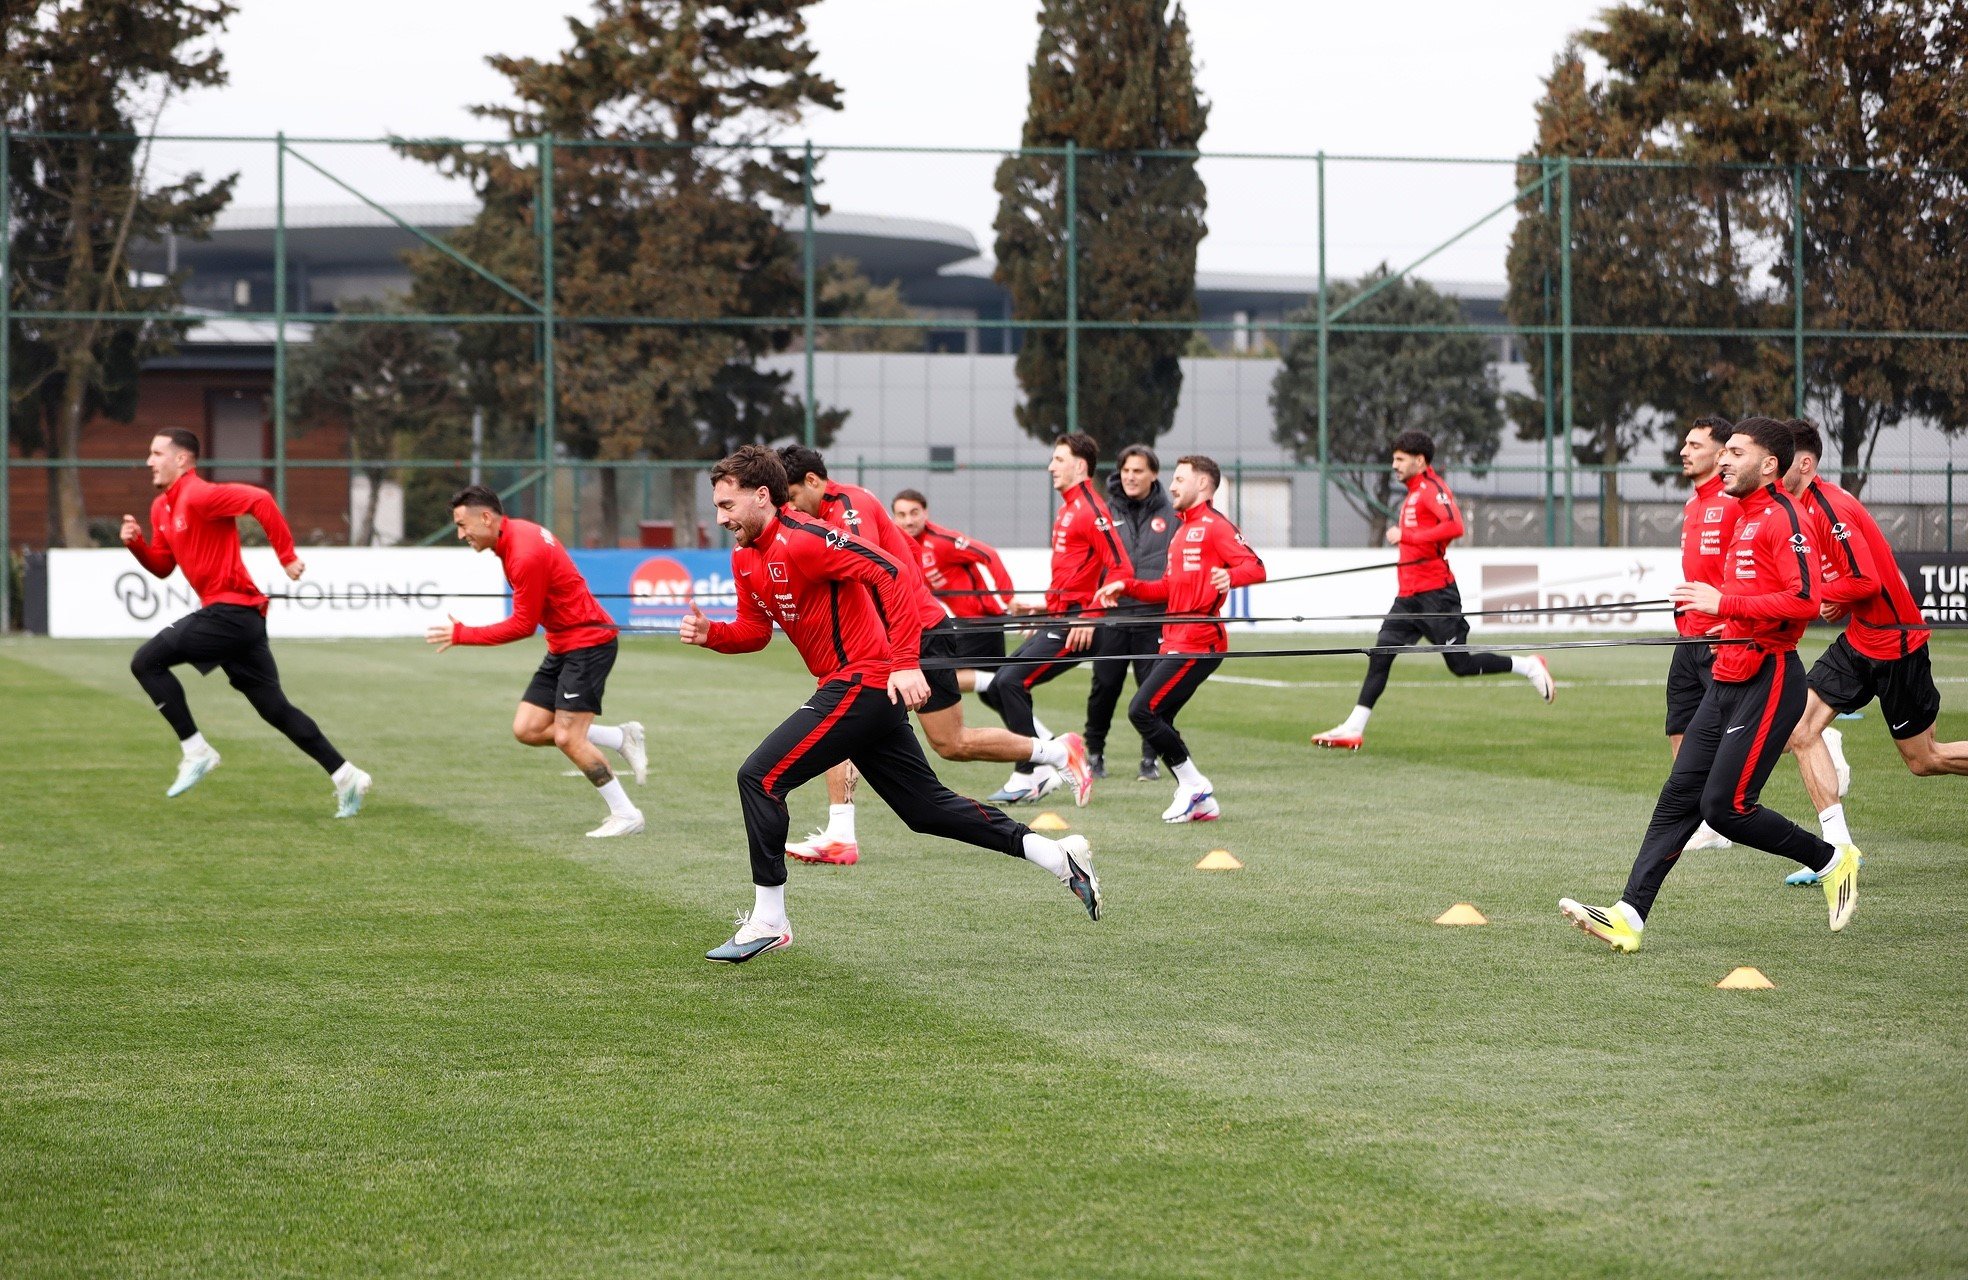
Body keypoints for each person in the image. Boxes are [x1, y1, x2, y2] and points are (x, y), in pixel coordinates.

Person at [680, 445, 1102, 963]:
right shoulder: (745, 557)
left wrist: (905, 660)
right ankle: (1058, 857)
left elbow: (892, 573)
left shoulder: (807, 539)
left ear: (762, 496)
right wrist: (711, 634)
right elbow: (754, 631)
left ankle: (769, 920)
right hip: (852, 687)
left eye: (727, 505)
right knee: (927, 809)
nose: (720, 518)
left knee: (761, 777)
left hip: (863, 681)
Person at [1559, 417, 1859, 953]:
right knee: (1679, 795)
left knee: (1727, 807)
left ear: (1769, 465)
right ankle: (1628, 916)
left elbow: (1805, 602)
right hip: (1727, 674)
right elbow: (1757, 598)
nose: (1723, 459)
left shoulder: (1782, 517)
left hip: (1769, 678)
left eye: (1736, 452)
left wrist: (1727, 606)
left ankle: (1833, 859)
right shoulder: (1741, 516)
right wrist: (1731, 622)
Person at [775, 449, 1091, 868]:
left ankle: (1056, 752)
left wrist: (906, 624)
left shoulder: (848, 508)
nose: (790, 506)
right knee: (853, 717)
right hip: (890, 637)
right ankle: (840, 834)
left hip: (914, 634)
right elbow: (903, 549)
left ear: (813, 481)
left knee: (949, 742)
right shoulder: (838, 509)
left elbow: (874, 571)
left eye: (793, 495)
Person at [121, 428, 372, 815]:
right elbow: (163, 566)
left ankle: (196, 750)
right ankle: (346, 776)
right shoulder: (161, 508)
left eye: (156, 453)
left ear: (182, 460)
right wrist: (136, 545)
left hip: (232, 614)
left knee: (145, 661)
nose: (149, 461)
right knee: (275, 709)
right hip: (239, 620)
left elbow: (261, 499)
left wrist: (286, 556)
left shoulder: (199, 493)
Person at [1777, 419, 1965, 886]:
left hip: (1898, 644)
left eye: (1780, 460)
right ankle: (1839, 852)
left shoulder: (1830, 506)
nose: (1772, 468)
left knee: (1924, 760)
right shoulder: (1795, 509)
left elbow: (1867, 581)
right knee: (1798, 730)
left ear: (1804, 463)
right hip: (1861, 640)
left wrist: (1826, 594)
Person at [425, 485, 647, 838]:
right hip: (563, 644)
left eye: (463, 525)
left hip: (589, 643)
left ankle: (627, 813)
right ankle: (620, 737)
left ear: (486, 518)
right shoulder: (515, 535)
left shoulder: (522, 553)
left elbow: (522, 626)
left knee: (568, 738)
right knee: (527, 729)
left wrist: (461, 635)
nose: (461, 534)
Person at [1311, 431, 1554, 751]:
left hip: (1437, 595)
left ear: (1419, 460)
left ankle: (1528, 666)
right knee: (1381, 654)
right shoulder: (1412, 493)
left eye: (1399, 459)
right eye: (1393, 458)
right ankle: (1353, 728)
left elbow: (1455, 527)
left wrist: (1407, 537)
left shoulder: (1431, 489)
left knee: (1460, 665)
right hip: (1408, 597)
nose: (1393, 465)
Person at [1093, 455, 1266, 822]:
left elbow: (1255, 566)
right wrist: (1128, 586)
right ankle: (1199, 800)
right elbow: (1168, 587)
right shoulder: (1182, 529)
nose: (1171, 486)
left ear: (1202, 484)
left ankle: (1194, 785)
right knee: (1161, 718)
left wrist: (1231, 578)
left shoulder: (1215, 526)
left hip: (1199, 638)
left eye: (1180, 479)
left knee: (1141, 710)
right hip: (1174, 636)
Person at [977, 432, 1133, 803]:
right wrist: (1042, 611)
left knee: (1010, 682)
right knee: (997, 684)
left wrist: (1088, 617)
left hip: (1079, 625)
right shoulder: (1067, 508)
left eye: (1058, 459)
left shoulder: (1091, 510)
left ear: (1080, 466)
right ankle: (1050, 757)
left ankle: (1031, 771)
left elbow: (1121, 569)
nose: (1051, 466)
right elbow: (1075, 575)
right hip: (1060, 618)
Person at [1667, 415, 1743, 853]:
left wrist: (1731, 617)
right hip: (1689, 637)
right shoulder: (1693, 505)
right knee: (1679, 727)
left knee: (1740, 729)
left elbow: (1748, 571)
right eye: (1686, 443)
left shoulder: (1734, 502)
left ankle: (1816, 734)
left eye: (1695, 445)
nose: (1685, 451)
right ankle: (1700, 824)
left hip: (1723, 638)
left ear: (1720, 454)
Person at [1084, 444, 1177, 783]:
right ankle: (1093, 754)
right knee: (1104, 688)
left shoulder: (1172, 515)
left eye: (1138, 470)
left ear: (1153, 474)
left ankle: (1150, 759)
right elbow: (1093, 566)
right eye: (1125, 470)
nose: (1130, 477)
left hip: (1154, 618)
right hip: (1114, 618)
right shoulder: (1104, 514)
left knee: (1152, 692)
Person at [890, 487, 1015, 684]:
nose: (909, 521)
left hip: (982, 623)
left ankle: (999, 681)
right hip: (968, 625)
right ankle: (1002, 683)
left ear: (925, 513)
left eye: (914, 513)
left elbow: (989, 554)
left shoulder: (941, 541)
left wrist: (1010, 598)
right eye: (902, 515)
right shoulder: (903, 547)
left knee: (934, 670)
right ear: (894, 518)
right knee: (1000, 697)